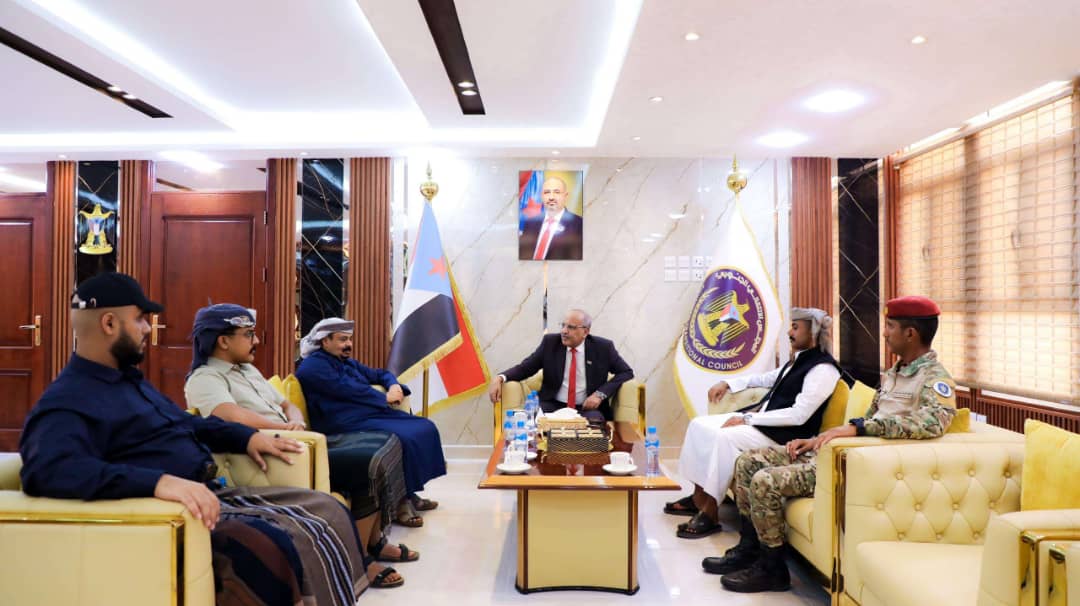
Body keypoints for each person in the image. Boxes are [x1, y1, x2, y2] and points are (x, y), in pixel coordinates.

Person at [19, 272, 374, 605]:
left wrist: (247, 438)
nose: (148, 328)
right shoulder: (69, 399)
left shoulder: (129, 381)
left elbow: (188, 423)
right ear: (109, 324)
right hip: (177, 515)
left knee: (327, 508)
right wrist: (158, 482)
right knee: (273, 545)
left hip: (214, 491)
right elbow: (47, 470)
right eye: (140, 319)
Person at [712, 296, 957, 593]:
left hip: (865, 466)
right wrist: (818, 440)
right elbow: (868, 419)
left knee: (765, 481)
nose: (884, 333)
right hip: (843, 452)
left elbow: (932, 423)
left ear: (910, 333)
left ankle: (772, 569)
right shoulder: (895, 373)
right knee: (748, 462)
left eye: (890, 326)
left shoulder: (934, 378)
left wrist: (860, 428)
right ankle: (751, 548)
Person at [184, 303, 417, 587]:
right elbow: (230, 415)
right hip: (275, 448)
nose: (256, 340)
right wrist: (285, 429)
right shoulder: (205, 378)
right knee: (368, 461)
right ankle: (359, 561)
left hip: (298, 438)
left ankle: (374, 542)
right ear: (223, 341)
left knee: (388, 444)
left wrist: (295, 421)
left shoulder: (247, 370)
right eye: (248, 334)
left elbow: (286, 404)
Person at [667, 308, 841, 540]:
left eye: (795, 327)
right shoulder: (799, 360)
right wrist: (728, 383)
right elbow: (765, 378)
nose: (789, 332)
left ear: (813, 333)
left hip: (784, 436)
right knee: (699, 425)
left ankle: (709, 512)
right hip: (764, 425)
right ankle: (698, 497)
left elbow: (799, 415)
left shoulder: (823, 369)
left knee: (724, 437)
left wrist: (748, 418)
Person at [295, 318, 446, 522]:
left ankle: (409, 492)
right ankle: (400, 505)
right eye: (342, 340)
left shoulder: (344, 361)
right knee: (404, 437)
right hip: (342, 423)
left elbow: (378, 374)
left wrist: (393, 385)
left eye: (349, 339)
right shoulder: (312, 367)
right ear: (325, 341)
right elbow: (348, 390)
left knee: (424, 426)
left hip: (366, 415)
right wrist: (384, 398)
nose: (348, 344)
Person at [488, 309, 633, 425]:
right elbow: (526, 368)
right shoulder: (550, 343)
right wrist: (500, 378)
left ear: (585, 332)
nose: (564, 331)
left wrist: (599, 394)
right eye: (563, 325)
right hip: (553, 404)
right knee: (534, 421)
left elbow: (626, 372)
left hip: (586, 408)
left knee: (594, 426)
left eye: (571, 327)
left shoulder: (603, 348)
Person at [518, 176, 584, 260]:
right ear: (542, 196)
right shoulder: (530, 222)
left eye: (557, 192)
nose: (551, 197)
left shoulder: (580, 225)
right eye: (547, 192)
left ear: (565, 196)